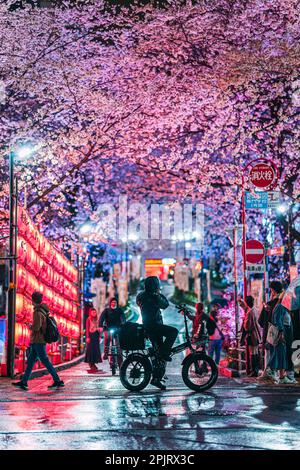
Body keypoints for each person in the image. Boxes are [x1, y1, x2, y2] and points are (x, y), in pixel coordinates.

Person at [12, 291, 64, 390]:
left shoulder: (37, 312)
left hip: (38, 341)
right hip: (37, 341)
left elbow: (36, 327)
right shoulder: (43, 311)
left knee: (45, 361)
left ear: (33, 300)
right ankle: (24, 382)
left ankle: (57, 380)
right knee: (31, 361)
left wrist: (29, 326)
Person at [136, 276, 178, 388]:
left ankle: (156, 378)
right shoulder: (154, 296)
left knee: (158, 355)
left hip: (148, 326)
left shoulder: (141, 295)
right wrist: (158, 293)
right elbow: (165, 304)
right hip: (154, 326)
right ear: (155, 286)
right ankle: (164, 353)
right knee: (174, 332)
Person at [258, 281, 283, 380]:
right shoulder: (283, 304)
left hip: (269, 332)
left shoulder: (268, 305)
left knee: (268, 351)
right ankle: (276, 372)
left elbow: (260, 321)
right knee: (276, 352)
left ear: (272, 290)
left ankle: (268, 372)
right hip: (280, 331)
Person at [268, 296, 295, 384]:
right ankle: (275, 372)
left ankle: (280, 375)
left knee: (281, 353)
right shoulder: (280, 306)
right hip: (281, 333)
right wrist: (281, 332)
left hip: (285, 332)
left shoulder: (285, 308)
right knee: (280, 353)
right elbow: (277, 320)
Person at [239, 296, 261, 377]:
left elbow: (247, 327)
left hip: (252, 336)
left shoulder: (249, 312)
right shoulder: (255, 310)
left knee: (253, 353)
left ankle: (254, 371)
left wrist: (244, 321)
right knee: (255, 352)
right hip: (256, 335)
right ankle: (255, 370)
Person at [99, 298, 125, 365]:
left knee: (118, 345)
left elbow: (123, 318)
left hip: (117, 329)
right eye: (112, 302)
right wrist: (100, 326)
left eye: (115, 302)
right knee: (107, 338)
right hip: (108, 328)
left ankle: (120, 362)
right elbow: (101, 318)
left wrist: (123, 323)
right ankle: (106, 353)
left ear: (117, 303)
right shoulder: (106, 311)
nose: (113, 304)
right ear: (110, 303)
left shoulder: (119, 310)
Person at [84, 307, 103, 372]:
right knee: (90, 350)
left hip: (96, 335)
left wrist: (100, 336)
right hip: (91, 335)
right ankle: (91, 364)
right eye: (93, 312)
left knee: (96, 350)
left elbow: (99, 328)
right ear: (90, 313)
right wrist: (87, 337)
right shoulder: (88, 319)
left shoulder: (97, 319)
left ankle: (94, 364)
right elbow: (87, 329)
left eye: (95, 312)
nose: (94, 313)